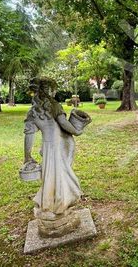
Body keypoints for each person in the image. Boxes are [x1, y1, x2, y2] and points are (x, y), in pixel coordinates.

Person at [22, 77, 86, 237]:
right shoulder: (54, 106)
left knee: (50, 175)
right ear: (48, 90)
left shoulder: (32, 112)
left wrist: (27, 157)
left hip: (47, 146)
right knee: (61, 175)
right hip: (59, 145)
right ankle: (59, 205)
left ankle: (50, 204)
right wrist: (77, 131)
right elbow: (64, 124)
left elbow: (28, 136)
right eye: (53, 89)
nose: (55, 91)